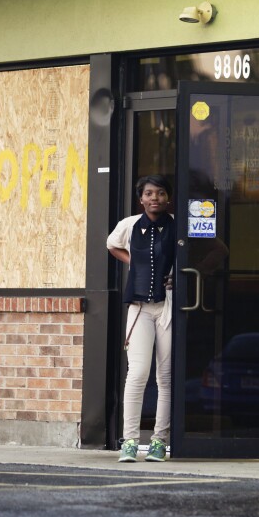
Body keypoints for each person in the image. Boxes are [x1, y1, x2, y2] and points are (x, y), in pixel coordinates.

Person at [106, 175, 176, 462]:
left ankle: (160, 441)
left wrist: (180, 275)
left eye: (160, 193)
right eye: (149, 193)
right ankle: (131, 442)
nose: (154, 198)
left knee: (166, 377)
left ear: (168, 197)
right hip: (139, 309)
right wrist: (133, 262)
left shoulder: (177, 225)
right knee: (136, 374)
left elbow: (216, 249)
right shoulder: (129, 225)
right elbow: (111, 245)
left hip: (168, 308)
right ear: (141, 198)